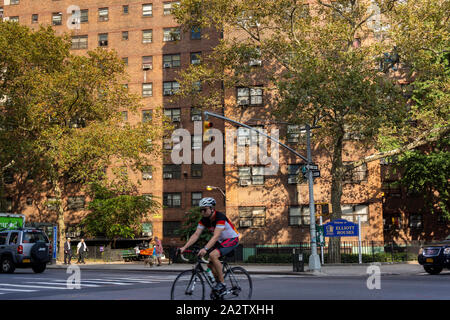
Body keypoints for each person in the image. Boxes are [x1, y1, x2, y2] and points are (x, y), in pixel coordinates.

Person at [180, 197, 239, 296]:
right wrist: (184, 247)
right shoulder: (204, 220)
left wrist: (205, 249)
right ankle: (218, 287)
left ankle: (222, 284)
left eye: (205, 209)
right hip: (221, 241)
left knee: (213, 255)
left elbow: (215, 236)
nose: (202, 212)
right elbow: (196, 234)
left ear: (212, 208)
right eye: (201, 210)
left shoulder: (220, 217)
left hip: (232, 239)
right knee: (210, 264)